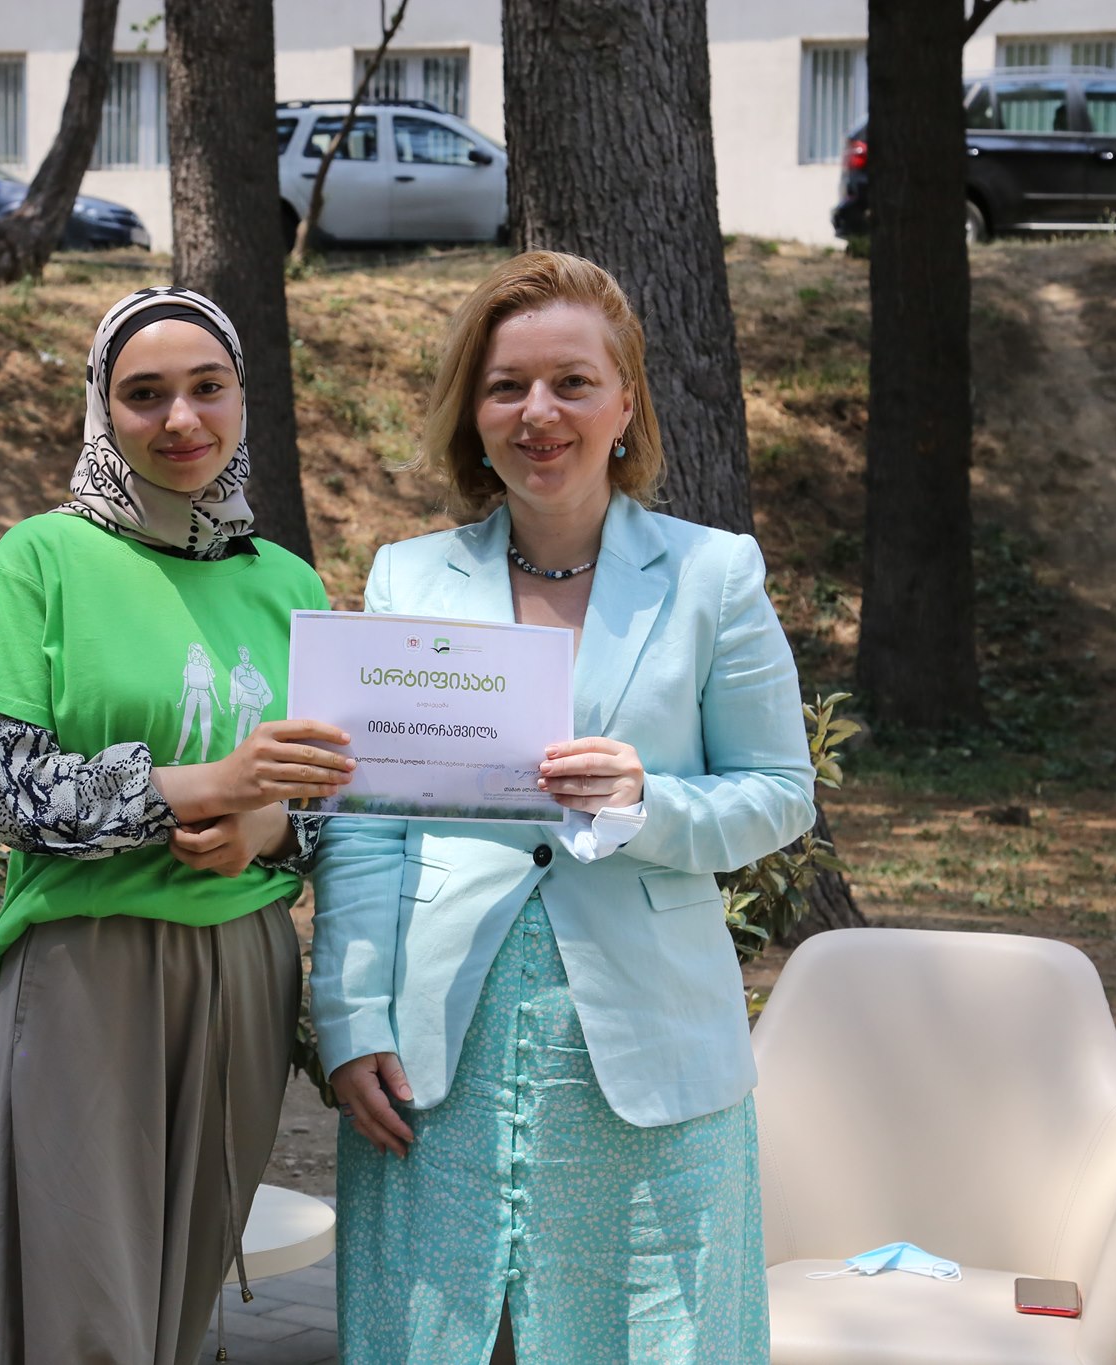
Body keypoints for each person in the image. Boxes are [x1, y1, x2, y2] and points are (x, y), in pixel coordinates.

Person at [309, 252, 818, 1364]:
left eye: (572, 382)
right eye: (507, 386)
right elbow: (365, 825)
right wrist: (350, 1022)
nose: (538, 412)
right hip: (440, 1047)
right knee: (427, 1337)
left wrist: (648, 801)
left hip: (648, 1044)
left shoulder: (714, 575)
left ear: (624, 404)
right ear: (474, 414)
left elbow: (781, 794)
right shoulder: (405, 578)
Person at [0, 286, 356, 1365]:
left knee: (177, 1301)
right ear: (102, 407)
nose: (181, 419)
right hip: (91, 965)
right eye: (144, 394)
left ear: (241, 397)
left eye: (207, 387)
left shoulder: (288, 581)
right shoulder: (41, 558)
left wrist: (265, 829)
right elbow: (12, 793)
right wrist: (207, 784)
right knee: (83, 1311)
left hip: (247, 969)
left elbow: (330, 801)